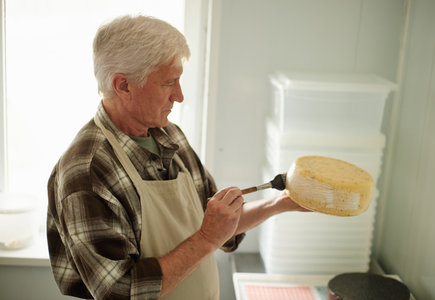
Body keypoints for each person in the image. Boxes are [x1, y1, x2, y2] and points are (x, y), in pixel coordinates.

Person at [47, 15, 309, 300]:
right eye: (169, 82)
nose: (180, 96)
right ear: (123, 86)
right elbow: (120, 292)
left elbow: (217, 227)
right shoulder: (87, 171)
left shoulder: (169, 136)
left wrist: (280, 204)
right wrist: (206, 239)